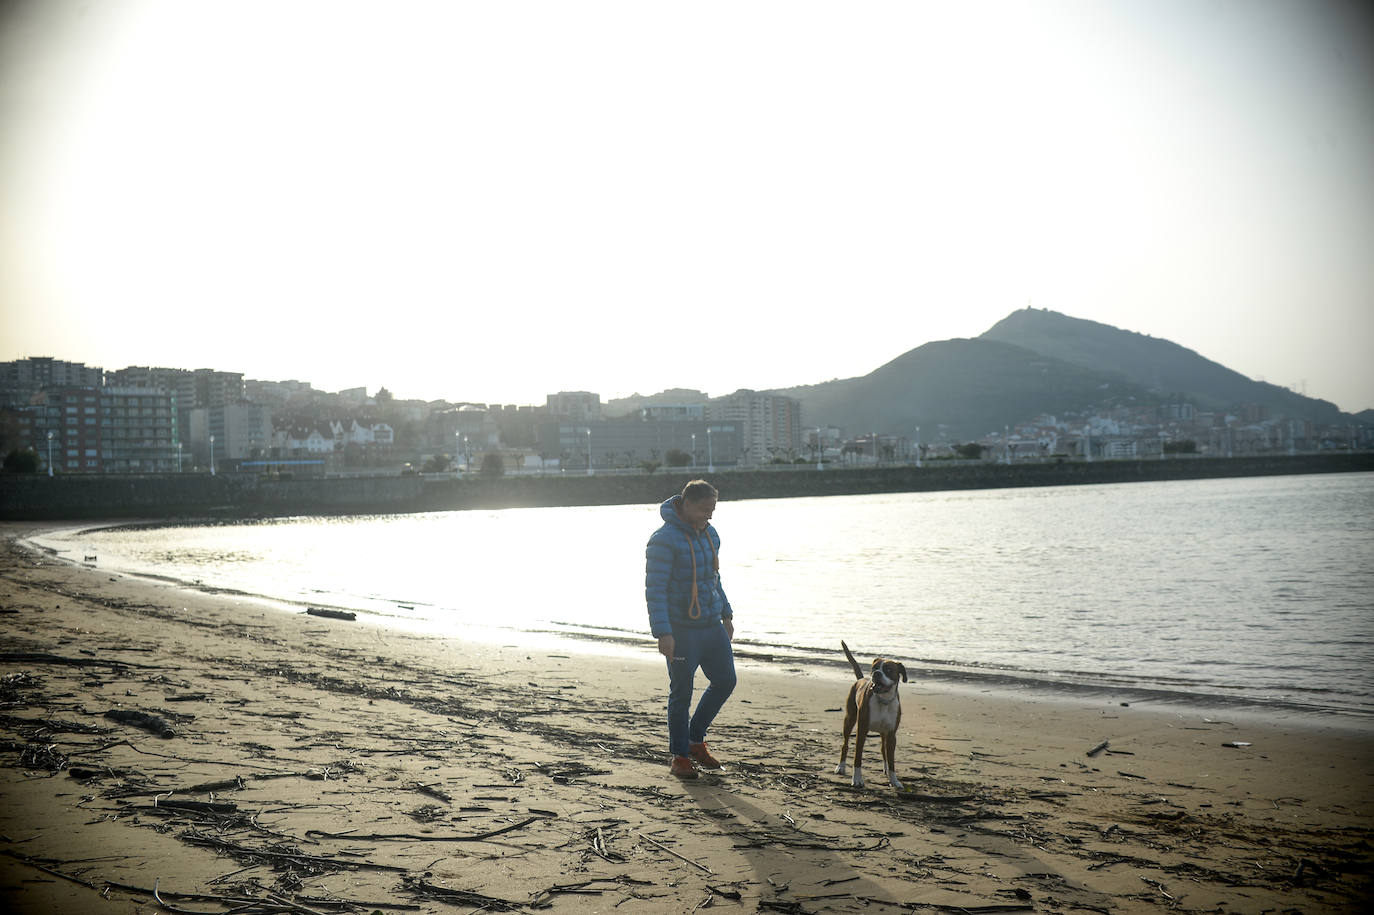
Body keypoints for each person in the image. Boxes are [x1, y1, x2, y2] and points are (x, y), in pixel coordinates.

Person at [645, 479, 736, 778]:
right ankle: (679, 756)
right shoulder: (663, 540)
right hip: (681, 631)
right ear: (687, 504)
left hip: (712, 626)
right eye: (705, 509)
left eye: (713, 508)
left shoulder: (711, 534)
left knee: (725, 681)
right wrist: (663, 633)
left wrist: (726, 614)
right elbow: (655, 589)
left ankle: (695, 739)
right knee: (681, 693)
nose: (710, 515)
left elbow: (714, 578)